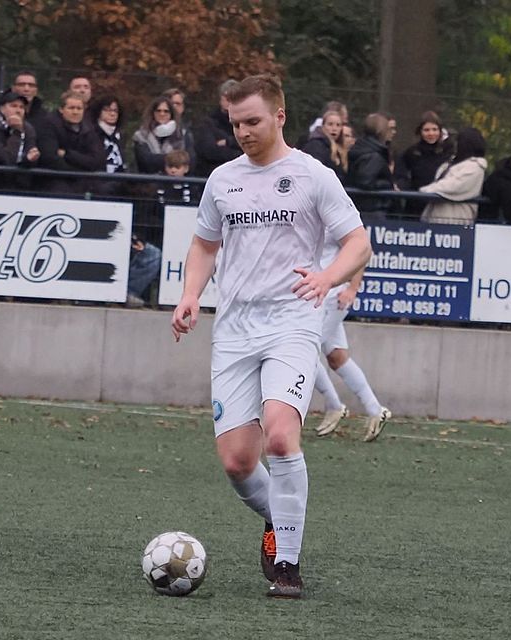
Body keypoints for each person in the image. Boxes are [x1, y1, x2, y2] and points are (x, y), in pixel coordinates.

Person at [170, 74, 371, 599]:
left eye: (252, 121)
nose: (243, 132)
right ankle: (278, 521)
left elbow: (358, 243)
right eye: (235, 123)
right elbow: (205, 246)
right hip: (234, 330)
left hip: (292, 323)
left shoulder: (312, 175)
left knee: (280, 436)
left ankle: (287, 564)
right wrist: (191, 293)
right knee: (238, 462)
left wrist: (328, 278)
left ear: (280, 117)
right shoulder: (223, 180)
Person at [312, 264, 391, 440]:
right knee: (336, 356)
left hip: (333, 295)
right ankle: (375, 409)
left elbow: (362, 250)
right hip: (319, 293)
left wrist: (352, 289)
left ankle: (335, 406)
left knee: (306, 351)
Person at [37, 90, 104, 194]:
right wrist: (80, 170)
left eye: (79, 108)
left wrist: (67, 154)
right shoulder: (49, 125)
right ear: (61, 109)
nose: (75, 112)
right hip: (54, 182)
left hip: (85, 182)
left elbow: (96, 160)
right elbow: (50, 158)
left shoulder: (89, 128)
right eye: (71, 108)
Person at [418, 127, 488, 225]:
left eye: (458, 141)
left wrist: (426, 190)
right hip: (434, 219)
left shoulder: (475, 167)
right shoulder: (450, 163)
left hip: (455, 222)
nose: (455, 145)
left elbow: (452, 186)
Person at [394, 111, 453, 216]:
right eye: (426, 130)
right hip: (415, 205)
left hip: (439, 205)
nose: (431, 133)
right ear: (420, 131)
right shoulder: (411, 152)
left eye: (434, 129)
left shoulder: (449, 152)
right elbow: (401, 175)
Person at [0, 91, 40, 192]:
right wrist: (17, 132)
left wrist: (29, 159)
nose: (18, 110)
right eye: (13, 106)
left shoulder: (28, 128)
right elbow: (5, 159)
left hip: (22, 185)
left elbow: (30, 153)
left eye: (21, 107)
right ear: (2, 108)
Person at [347, 112, 396, 215]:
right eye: (388, 129)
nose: (391, 132)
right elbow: (365, 181)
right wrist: (387, 184)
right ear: (381, 131)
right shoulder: (374, 156)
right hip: (372, 209)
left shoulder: (362, 148)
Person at [193, 79, 242, 177]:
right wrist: (238, 152)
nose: (231, 102)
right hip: (212, 175)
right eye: (228, 98)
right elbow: (209, 151)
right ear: (221, 99)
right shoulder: (208, 123)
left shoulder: (245, 122)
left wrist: (228, 142)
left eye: (235, 99)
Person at [133, 96, 186, 174]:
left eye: (166, 111)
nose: (162, 114)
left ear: (171, 113)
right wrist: (174, 160)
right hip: (148, 182)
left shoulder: (181, 135)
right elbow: (145, 161)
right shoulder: (141, 136)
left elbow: (188, 161)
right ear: (153, 113)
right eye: (158, 111)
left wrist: (158, 159)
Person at [88, 94, 127, 175]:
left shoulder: (120, 136)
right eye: (107, 110)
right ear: (98, 112)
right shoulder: (90, 134)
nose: (112, 114)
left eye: (115, 110)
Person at [301, 109, 344, 178]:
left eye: (338, 125)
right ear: (323, 126)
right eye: (330, 124)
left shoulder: (338, 147)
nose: (334, 128)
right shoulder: (315, 145)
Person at [163, 87, 196, 173]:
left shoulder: (186, 131)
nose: (174, 107)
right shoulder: (149, 131)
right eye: (171, 104)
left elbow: (191, 159)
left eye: (178, 104)